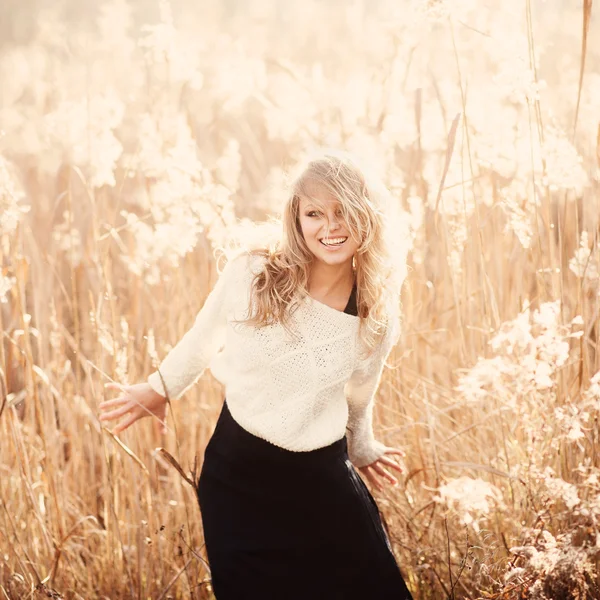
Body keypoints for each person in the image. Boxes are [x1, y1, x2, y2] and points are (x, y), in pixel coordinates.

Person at [99, 150, 413, 599]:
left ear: (367, 214)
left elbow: (360, 393)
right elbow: (204, 336)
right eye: (315, 213)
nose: (330, 226)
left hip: (322, 481)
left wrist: (362, 448)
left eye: (343, 211)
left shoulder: (373, 312)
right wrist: (160, 387)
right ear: (296, 218)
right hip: (239, 478)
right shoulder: (254, 273)